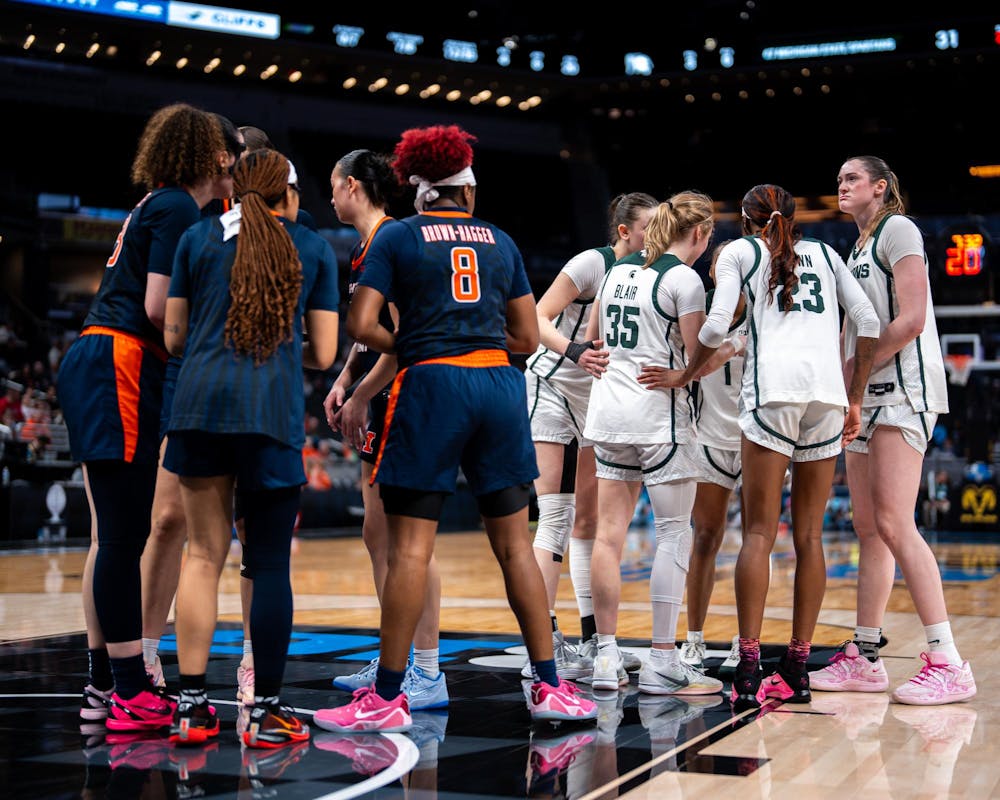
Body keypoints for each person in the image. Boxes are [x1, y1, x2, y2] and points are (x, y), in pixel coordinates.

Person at [312, 124, 596, 732]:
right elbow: (526, 337)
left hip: (433, 384)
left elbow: (361, 325)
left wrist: (416, 342)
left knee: (410, 549)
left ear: (419, 189)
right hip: (498, 386)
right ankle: (549, 686)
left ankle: (389, 696)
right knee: (515, 546)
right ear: (466, 190)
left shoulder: (399, 236)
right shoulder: (500, 240)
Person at [658, 184, 879, 710]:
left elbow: (716, 325)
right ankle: (797, 669)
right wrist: (854, 398)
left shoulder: (739, 251)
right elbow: (869, 321)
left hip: (772, 394)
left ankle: (749, 666)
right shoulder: (826, 253)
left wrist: (686, 373)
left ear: (745, 220)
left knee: (759, 532)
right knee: (810, 536)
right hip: (826, 396)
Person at [57, 102, 234, 730]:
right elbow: (160, 308)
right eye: (228, 152)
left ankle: (105, 686)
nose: (235, 163)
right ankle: (131, 690)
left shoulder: (157, 203)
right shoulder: (179, 206)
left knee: (109, 535)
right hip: (121, 361)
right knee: (122, 536)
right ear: (211, 155)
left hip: (100, 357)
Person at [163, 148, 340, 747]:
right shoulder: (312, 247)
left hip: (198, 405)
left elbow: (174, 335)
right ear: (288, 195)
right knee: (266, 565)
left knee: (201, 556)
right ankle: (265, 712)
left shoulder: (196, 237)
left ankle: (191, 709)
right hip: (268, 410)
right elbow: (323, 352)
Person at [810, 156, 976, 705]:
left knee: (894, 522)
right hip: (865, 394)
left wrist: (854, 373)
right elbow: (849, 332)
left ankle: (948, 661)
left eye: (852, 178)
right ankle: (865, 656)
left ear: (880, 187)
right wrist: (842, 384)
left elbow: (912, 320)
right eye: (839, 179)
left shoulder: (898, 229)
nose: (841, 186)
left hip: (903, 390)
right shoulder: (855, 248)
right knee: (868, 527)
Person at [582, 192, 723, 697]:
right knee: (673, 535)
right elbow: (697, 358)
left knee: (607, 537)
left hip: (609, 414)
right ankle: (663, 658)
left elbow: (595, 337)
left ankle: (605, 655)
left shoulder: (616, 270)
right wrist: (731, 346)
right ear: (700, 233)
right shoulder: (684, 279)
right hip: (659, 418)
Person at [322, 148, 447, 709]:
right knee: (378, 533)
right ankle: (394, 655)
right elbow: (369, 333)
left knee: (410, 540)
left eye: (333, 186)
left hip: (409, 396)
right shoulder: (364, 247)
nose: (330, 197)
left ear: (352, 186)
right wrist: (345, 376)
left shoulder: (393, 239)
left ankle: (427, 668)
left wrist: (360, 396)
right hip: (383, 395)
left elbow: (402, 342)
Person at [523, 192, 657, 681]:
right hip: (553, 385)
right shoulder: (591, 263)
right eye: (648, 227)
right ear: (624, 231)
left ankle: (591, 641)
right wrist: (575, 350)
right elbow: (535, 318)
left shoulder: (650, 272)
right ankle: (543, 645)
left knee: (588, 521)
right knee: (556, 517)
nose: (656, 236)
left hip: (596, 397)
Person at [139, 115, 247, 690]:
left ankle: (255, 662)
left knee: (248, 537)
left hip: (251, 380)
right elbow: (165, 315)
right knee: (167, 520)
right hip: (189, 374)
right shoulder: (192, 218)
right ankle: (144, 654)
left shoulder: (286, 230)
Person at [678, 240, 748, 673]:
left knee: (757, 540)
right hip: (708, 437)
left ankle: (747, 640)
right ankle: (694, 639)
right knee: (704, 537)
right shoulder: (698, 311)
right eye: (722, 267)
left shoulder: (766, 309)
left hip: (759, 437)